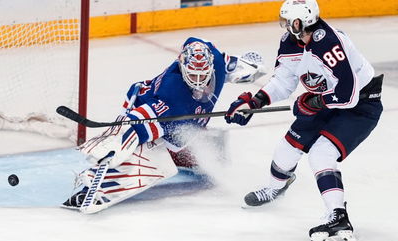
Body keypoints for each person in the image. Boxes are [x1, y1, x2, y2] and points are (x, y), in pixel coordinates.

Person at [224, 0, 383, 240]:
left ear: (301, 22)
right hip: (327, 99)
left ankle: (338, 217)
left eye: (289, 21)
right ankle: (275, 189)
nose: (285, 25)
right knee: (288, 147)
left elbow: (348, 94)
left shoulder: (329, 43)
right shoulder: (289, 43)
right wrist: (254, 102)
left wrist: (314, 103)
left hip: (360, 104)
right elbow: (283, 81)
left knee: (321, 153)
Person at [62, 37, 267, 213]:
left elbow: (201, 45)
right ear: (182, 67)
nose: (198, 81)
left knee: (207, 153)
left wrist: (249, 71)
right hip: (152, 112)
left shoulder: (218, 64)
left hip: (187, 129)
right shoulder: (173, 96)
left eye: (202, 75)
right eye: (192, 75)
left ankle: (183, 157)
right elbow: (138, 123)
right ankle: (97, 188)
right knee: (147, 162)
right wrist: (117, 141)